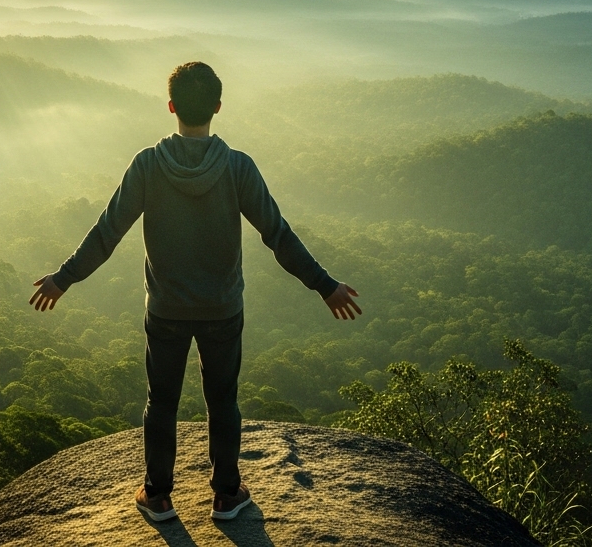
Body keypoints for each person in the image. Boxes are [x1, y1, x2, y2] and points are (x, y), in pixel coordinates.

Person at [29, 61, 362, 523]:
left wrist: (64, 278)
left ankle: (158, 495)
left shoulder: (147, 165)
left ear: (171, 107)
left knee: (160, 401)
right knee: (223, 399)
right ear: (218, 108)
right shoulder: (236, 167)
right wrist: (326, 287)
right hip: (223, 309)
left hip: (165, 309)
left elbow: (108, 231)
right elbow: (278, 235)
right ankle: (227, 494)